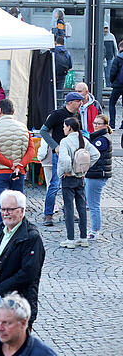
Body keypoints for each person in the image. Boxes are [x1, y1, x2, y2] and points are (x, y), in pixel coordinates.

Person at [0, 190, 45, 329]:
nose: (6, 213)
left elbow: (27, 275)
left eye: (10, 209)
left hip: (18, 306)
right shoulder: (0, 229)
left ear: (22, 211)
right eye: (3, 209)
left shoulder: (31, 237)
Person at [0, 99, 35, 224]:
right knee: (17, 208)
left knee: (2, 208)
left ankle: (0, 237)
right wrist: (20, 165)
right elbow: (31, 151)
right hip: (19, 172)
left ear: (0, 111)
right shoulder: (24, 128)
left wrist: (10, 164)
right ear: (13, 111)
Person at [39, 91, 83, 226]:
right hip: (58, 155)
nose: (81, 103)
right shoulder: (57, 114)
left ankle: (68, 212)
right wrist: (55, 146)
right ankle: (48, 214)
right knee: (55, 184)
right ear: (70, 102)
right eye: (78, 101)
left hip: (73, 155)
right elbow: (43, 131)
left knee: (70, 184)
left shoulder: (77, 114)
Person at [56, 117, 99, 248]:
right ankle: (83, 237)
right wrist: (83, 169)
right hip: (81, 178)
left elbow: (65, 161)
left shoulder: (65, 141)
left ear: (69, 127)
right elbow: (96, 154)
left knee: (69, 208)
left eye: (64, 126)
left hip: (68, 179)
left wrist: (64, 172)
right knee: (81, 208)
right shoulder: (83, 140)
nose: (63, 128)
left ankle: (70, 239)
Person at [84, 113, 111, 241]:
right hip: (95, 173)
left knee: (94, 204)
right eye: (94, 123)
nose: (95, 126)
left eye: (98, 124)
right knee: (92, 203)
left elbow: (92, 152)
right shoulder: (98, 137)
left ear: (105, 125)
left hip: (97, 174)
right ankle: (94, 229)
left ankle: (95, 230)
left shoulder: (102, 139)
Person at [108, 40, 123, 127]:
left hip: (118, 85)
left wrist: (112, 81)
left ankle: (112, 124)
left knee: (112, 103)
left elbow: (113, 72)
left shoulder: (118, 58)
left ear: (120, 47)